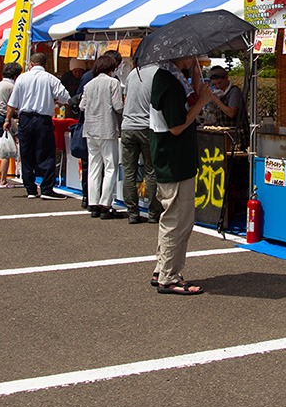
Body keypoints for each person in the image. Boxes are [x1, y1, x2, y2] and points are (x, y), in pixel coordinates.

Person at [150, 55, 214, 295]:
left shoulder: (171, 78)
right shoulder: (169, 82)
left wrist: (197, 80)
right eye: (191, 53)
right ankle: (169, 277)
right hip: (175, 160)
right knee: (178, 221)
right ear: (179, 54)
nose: (195, 56)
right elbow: (176, 126)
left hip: (174, 159)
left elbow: (187, 106)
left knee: (174, 219)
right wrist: (203, 101)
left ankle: (163, 269)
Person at [4, 52, 71, 200]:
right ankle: (47, 188)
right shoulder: (50, 78)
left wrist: (7, 119)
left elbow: (12, 103)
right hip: (43, 119)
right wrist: (54, 99)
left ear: (31, 64)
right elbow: (65, 97)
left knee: (26, 153)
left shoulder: (22, 78)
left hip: (25, 118)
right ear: (44, 64)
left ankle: (31, 189)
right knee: (46, 153)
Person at [80, 54, 124, 219]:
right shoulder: (113, 83)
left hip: (90, 128)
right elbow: (118, 107)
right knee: (110, 167)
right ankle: (106, 204)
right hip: (107, 128)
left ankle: (93, 203)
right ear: (111, 68)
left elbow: (82, 106)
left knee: (94, 167)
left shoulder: (89, 84)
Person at [121, 63, 160, 223]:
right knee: (151, 171)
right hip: (147, 126)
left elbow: (125, 98)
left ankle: (132, 212)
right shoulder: (157, 73)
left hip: (128, 126)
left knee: (129, 172)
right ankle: (153, 213)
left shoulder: (132, 73)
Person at [205, 66, 249, 148]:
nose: (218, 86)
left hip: (238, 137)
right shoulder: (220, 93)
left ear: (226, 78)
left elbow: (231, 112)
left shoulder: (234, 91)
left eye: (220, 83)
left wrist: (217, 100)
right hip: (225, 137)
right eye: (215, 85)